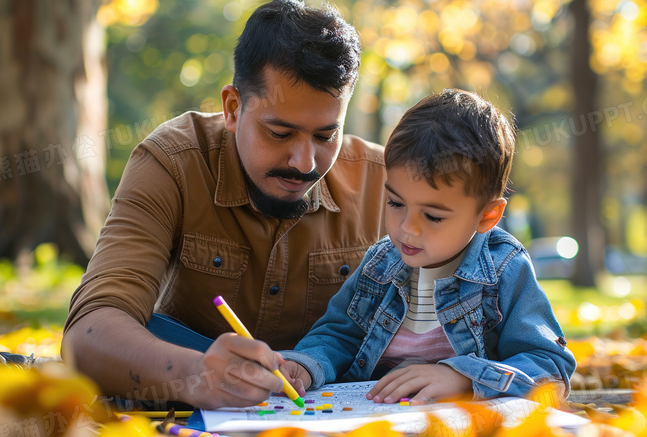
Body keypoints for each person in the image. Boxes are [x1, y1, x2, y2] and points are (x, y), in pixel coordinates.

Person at [61, 0, 387, 409]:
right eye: (280, 132)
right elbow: (88, 332)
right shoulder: (172, 162)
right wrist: (194, 376)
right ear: (233, 108)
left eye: (325, 136)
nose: (304, 162)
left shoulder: (386, 184)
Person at [279, 89, 576, 404]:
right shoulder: (381, 262)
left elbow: (550, 366)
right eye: (395, 203)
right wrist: (306, 365)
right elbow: (338, 336)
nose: (407, 228)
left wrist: (463, 377)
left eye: (433, 216)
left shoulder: (504, 269)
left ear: (487, 216)